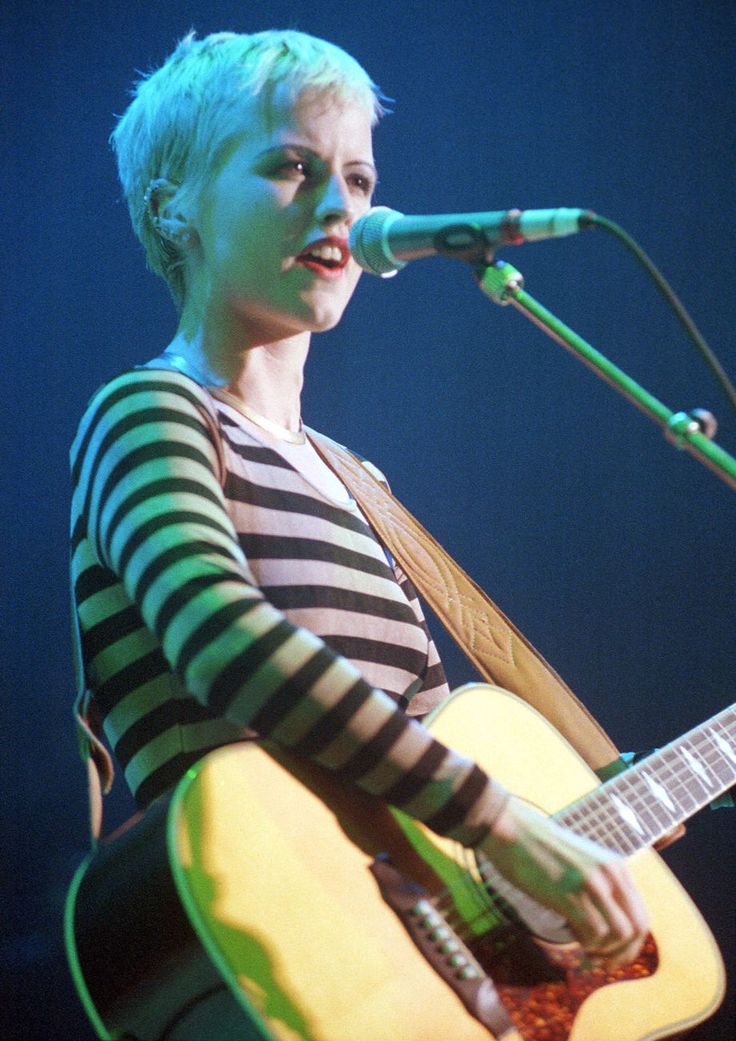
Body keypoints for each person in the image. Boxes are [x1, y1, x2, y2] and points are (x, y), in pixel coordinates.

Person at [69, 28, 648, 1035]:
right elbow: (222, 638)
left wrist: (554, 844)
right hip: (259, 944)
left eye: (356, 175)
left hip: (407, 973)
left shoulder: (358, 481)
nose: (340, 205)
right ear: (176, 205)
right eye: (291, 168)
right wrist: (502, 822)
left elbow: (426, 737)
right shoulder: (153, 411)